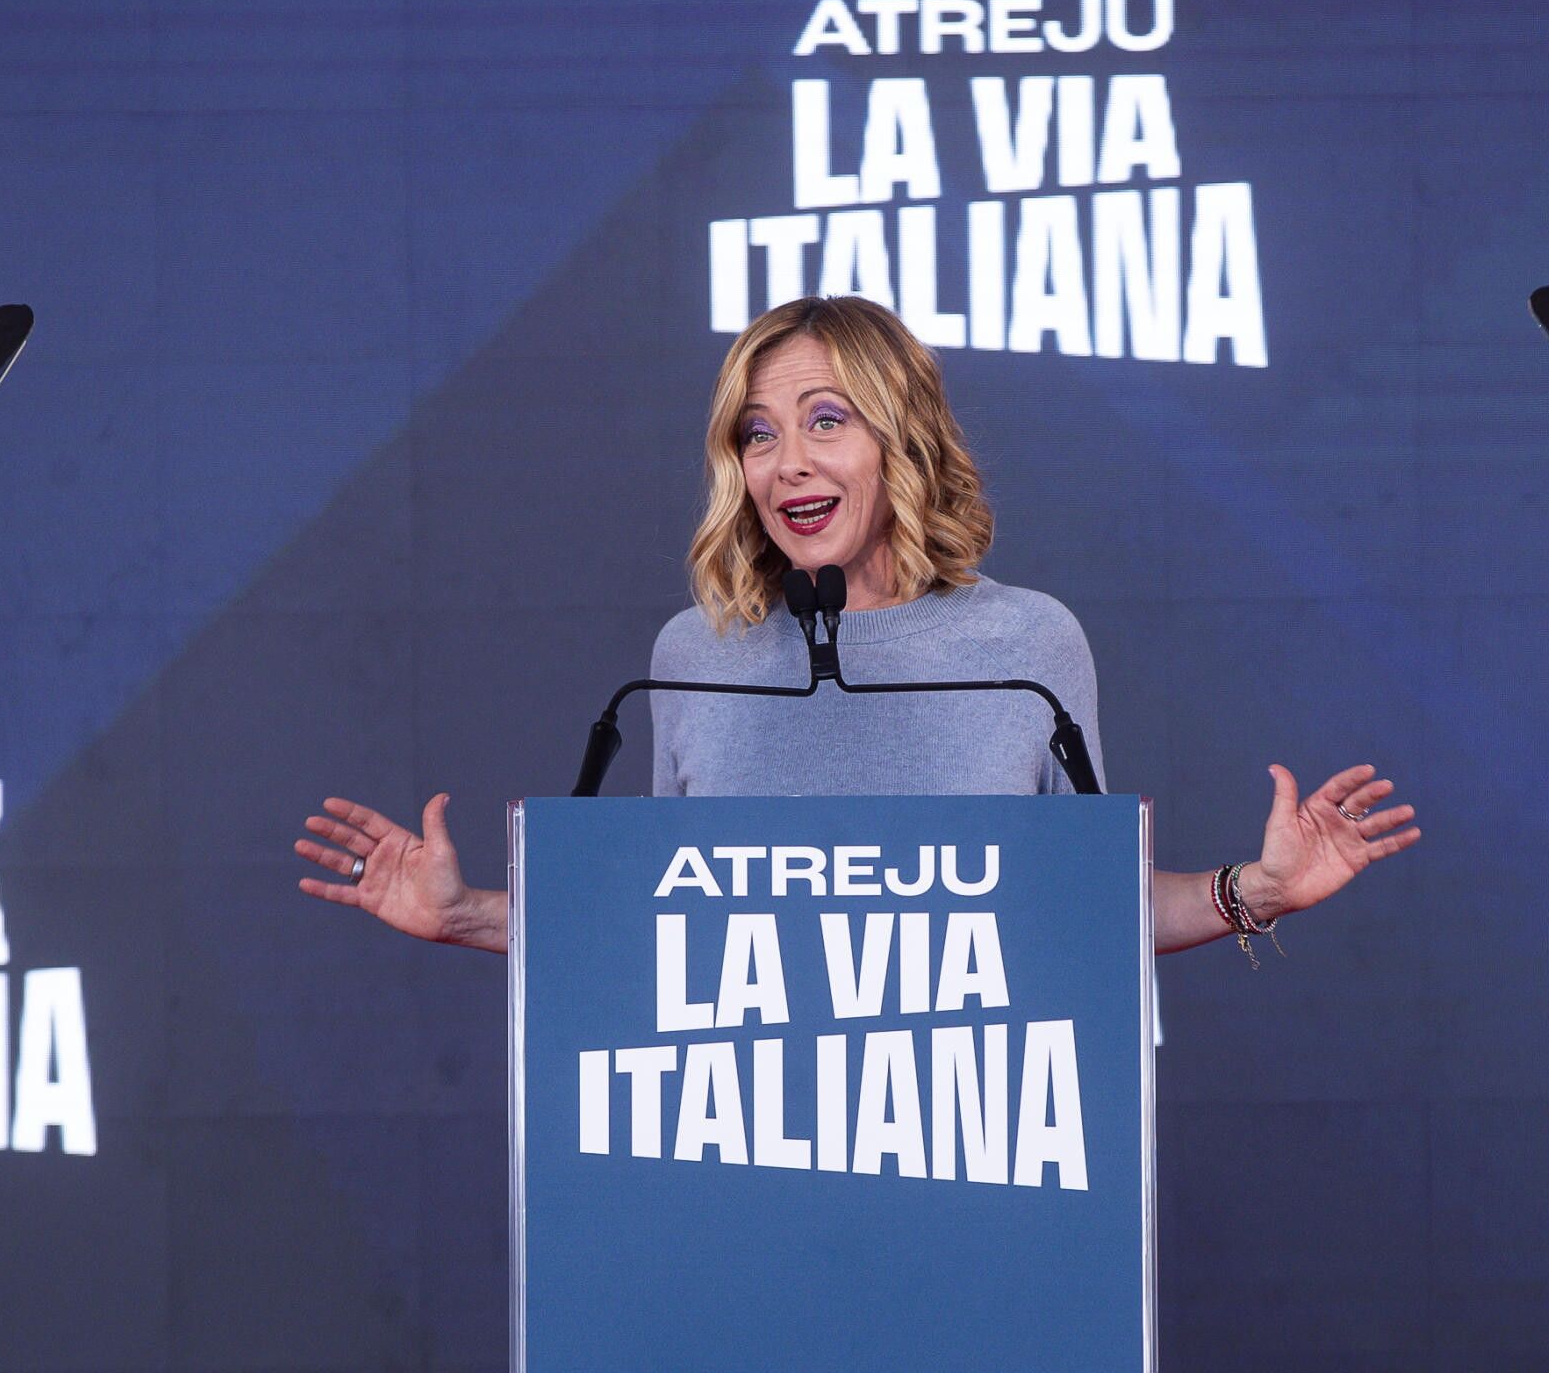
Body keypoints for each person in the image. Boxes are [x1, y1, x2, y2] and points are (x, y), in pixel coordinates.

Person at [295, 294, 1417, 954]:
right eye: (758, 433)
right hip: (738, 1167)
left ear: (900, 438)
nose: (787, 462)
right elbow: (664, 933)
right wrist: (470, 915)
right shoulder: (692, 655)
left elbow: (1088, 918)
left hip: (967, 1168)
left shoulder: (1029, 646)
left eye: (825, 420)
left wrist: (1257, 890)